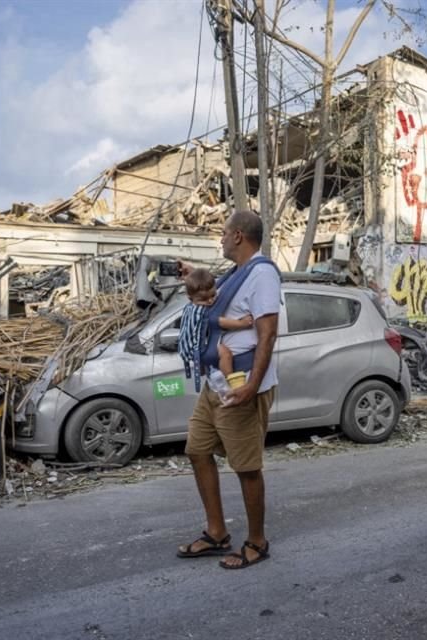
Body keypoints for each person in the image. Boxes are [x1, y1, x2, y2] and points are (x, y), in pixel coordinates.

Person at [175, 211, 281, 570]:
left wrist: (252, 386)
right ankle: (217, 532)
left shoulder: (262, 274)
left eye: (222, 233)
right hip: (215, 384)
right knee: (197, 450)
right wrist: (193, 275)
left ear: (238, 235)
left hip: (240, 386)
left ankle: (257, 541)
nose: (219, 239)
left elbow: (267, 333)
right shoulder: (236, 275)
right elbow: (213, 300)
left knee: (246, 466)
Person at [177, 267, 254, 393]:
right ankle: (230, 380)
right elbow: (219, 321)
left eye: (213, 295)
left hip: (190, 348)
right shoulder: (201, 311)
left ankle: (204, 369)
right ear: (190, 298)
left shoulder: (189, 307)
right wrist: (242, 323)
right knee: (225, 353)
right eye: (203, 299)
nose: (210, 300)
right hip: (200, 349)